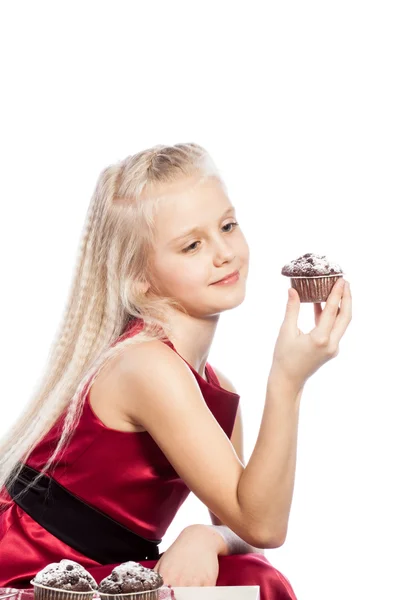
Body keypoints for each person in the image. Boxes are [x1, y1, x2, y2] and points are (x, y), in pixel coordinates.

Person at [0, 143, 352, 599]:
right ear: (140, 276)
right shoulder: (145, 365)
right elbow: (263, 524)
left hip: (111, 574)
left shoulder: (215, 387)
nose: (224, 253)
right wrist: (287, 381)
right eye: (192, 245)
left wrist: (208, 536)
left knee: (250, 574)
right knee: (259, 584)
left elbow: (251, 526)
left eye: (228, 226)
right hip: (28, 573)